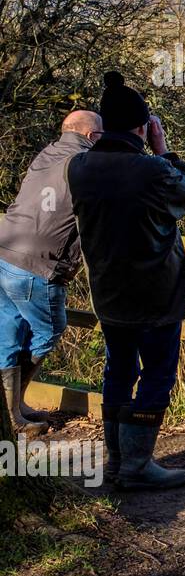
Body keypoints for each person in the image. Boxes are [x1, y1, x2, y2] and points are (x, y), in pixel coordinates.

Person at [68, 71, 185, 489]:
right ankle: (137, 464)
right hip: (155, 294)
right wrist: (164, 151)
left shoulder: (79, 166)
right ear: (144, 126)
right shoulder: (151, 171)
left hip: (107, 292)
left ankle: (115, 458)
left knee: (118, 370)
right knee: (158, 373)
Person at [0, 110, 103, 438]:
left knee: (8, 335)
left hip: (4, 252)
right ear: (92, 137)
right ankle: (10, 410)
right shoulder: (86, 167)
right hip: (38, 264)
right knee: (50, 330)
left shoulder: (44, 155)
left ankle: (11, 413)